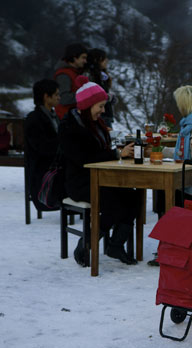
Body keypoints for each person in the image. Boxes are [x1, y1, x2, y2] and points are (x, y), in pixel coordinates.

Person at [58, 76, 139, 267]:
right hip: (80, 182)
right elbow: (83, 158)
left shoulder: (95, 123)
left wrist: (118, 151)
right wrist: (116, 153)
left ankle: (116, 245)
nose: (103, 110)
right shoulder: (69, 127)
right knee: (114, 205)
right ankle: (86, 243)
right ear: (87, 106)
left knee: (133, 197)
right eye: (100, 106)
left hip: (101, 177)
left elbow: (100, 152)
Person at [25, 79, 61, 211]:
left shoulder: (53, 116)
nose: (59, 98)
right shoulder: (34, 119)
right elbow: (43, 148)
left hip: (54, 167)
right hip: (44, 176)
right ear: (46, 96)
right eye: (56, 94)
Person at [54, 43, 88, 119]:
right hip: (67, 119)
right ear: (74, 57)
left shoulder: (75, 73)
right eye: (83, 58)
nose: (85, 61)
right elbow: (64, 98)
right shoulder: (64, 75)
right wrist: (86, 94)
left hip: (75, 117)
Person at [86, 48, 116, 129]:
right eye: (103, 58)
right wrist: (108, 97)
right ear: (96, 60)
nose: (106, 60)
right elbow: (92, 95)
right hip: (98, 114)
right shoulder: (91, 75)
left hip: (106, 113)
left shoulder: (102, 75)